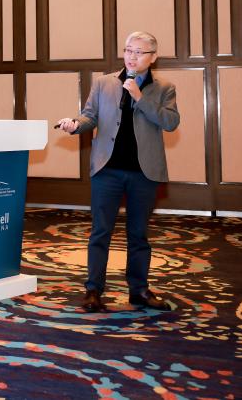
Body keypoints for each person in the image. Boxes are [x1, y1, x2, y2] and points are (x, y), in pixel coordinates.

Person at [55, 31, 180, 312]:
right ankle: (93, 290)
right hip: (107, 169)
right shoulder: (104, 83)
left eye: (139, 52)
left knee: (138, 234)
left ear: (153, 57)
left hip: (143, 172)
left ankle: (139, 290)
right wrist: (75, 125)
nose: (132, 57)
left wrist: (139, 97)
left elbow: (171, 122)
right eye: (128, 50)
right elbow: (90, 116)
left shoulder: (164, 88)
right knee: (100, 231)